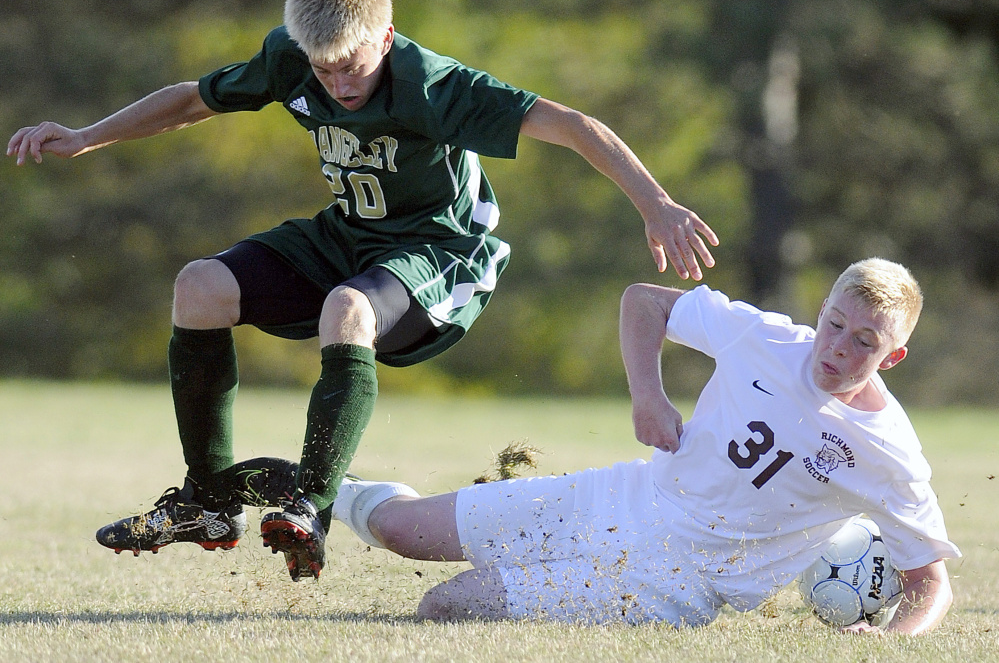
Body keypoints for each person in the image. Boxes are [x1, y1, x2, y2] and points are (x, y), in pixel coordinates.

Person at [6, 0, 718, 582]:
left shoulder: (433, 86)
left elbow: (570, 124)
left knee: (344, 310)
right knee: (199, 287)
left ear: (383, 35)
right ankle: (206, 502)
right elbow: (194, 99)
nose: (338, 84)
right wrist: (87, 138)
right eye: (322, 68)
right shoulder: (292, 57)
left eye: (351, 65)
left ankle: (308, 508)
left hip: (441, 253)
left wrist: (655, 204)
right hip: (348, 235)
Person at [297, 258, 959, 633]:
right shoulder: (762, 337)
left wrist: (891, 644)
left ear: (892, 356)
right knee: (398, 529)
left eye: (864, 343)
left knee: (445, 605)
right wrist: (648, 394)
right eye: (834, 325)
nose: (838, 348)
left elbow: (929, 585)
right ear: (822, 313)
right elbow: (643, 302)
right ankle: (309, 494)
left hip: (674, 581)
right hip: (624, 495)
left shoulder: (887, 453)